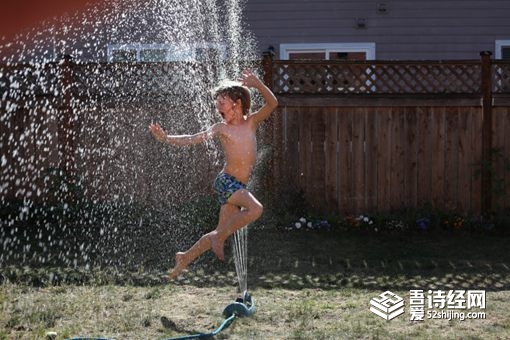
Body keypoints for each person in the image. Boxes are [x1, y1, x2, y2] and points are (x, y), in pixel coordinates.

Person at [148, 69, 278, 280]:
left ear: (236, 103)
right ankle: (219, 238)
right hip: (227, 182)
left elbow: (273, 104)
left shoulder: (251, 122)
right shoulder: (221, 128)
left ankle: (182, 260)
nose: (218, 106)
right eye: (217, 102)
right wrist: (166, 138)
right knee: (256, 209)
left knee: (218, 232)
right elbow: (193, 138)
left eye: (222, 102)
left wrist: (258, 84)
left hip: (238, 186)